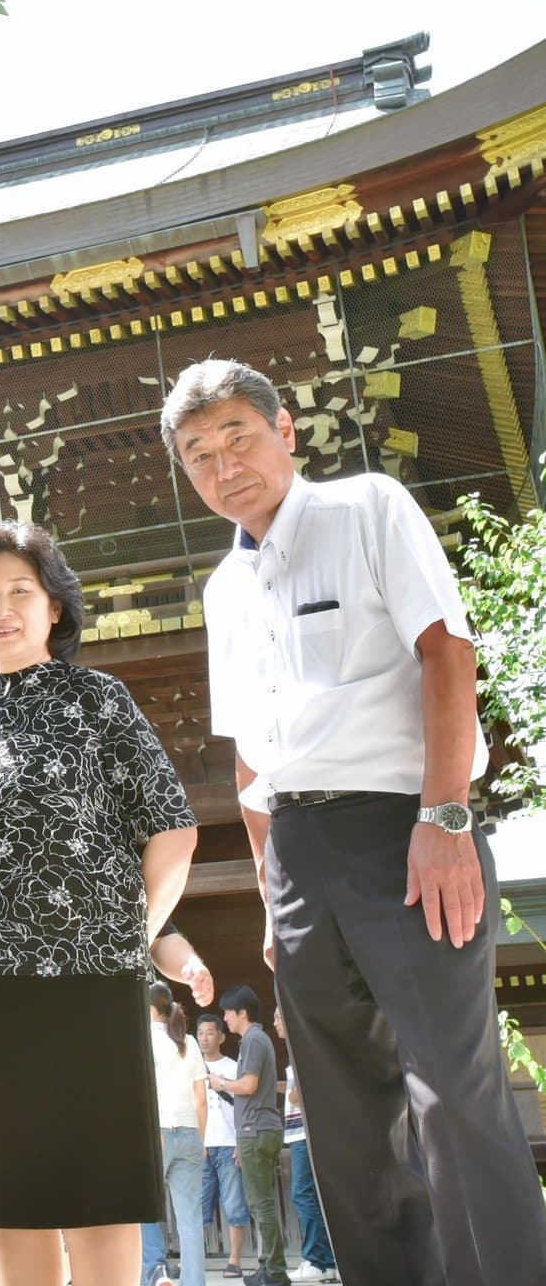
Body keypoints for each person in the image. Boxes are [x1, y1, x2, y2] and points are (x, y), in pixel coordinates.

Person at [161, 358, 546, 1286]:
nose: (223, 466)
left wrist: (445, 817)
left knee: (452, 1087)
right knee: (342, 1113)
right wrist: (269, 891)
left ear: (286, 431)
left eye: (238, 437)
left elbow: (448, 652)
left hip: (403, 827)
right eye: (199, 454)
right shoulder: (222, 590)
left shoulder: (369, 508)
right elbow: (248, 759)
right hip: (296, 855)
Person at [0, 520, 198, 1286]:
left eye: (19, 592)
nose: (0, 609)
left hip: (87, 985)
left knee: (97, 1195)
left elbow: (172, 828)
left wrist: (131, 934)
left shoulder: (99, 700)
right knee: (9, 1202)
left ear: (55, 608)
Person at [210, 986, 284, 1286]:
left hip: (256, 1130)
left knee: (260, 1203)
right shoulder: (256, 1039)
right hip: (258, 1129)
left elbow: (249, 1086)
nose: (225, 1018)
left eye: (228, 1012)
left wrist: (221, 1083)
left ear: (243, 1013)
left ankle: (275, 1272)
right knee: (262, 1202)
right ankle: (269, 1267)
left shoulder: (253, 1039)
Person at [141, 983, 207, 1286]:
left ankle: (156, 1271)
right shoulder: (188, 1041)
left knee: (144, 1210)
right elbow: (201, 1099)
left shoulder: (142, 1038)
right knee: (190, 1218)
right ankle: (194, 1282)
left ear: (148, 1006)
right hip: (190, 1132)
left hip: (156, 1132)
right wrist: (201, 1140)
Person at [272, 1008, 336, 1284]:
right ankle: (328, 1263)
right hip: (307, 1133)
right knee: (314, 1196)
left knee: (302, 1194)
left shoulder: (300, 1047)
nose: (275, 1023)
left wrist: (289, 1092)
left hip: (302, 1134)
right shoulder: (302, 1045)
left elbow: (298, 1093)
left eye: (278, 1017)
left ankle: (315, 1260)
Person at [195, 1012, 250, 1278]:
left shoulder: (233, 1067)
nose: (204, 1038)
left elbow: (244, 1107)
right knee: (196, 1206)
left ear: (221, 1036)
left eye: (209, 1033)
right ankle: (193, 1261)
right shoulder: (192, 1068)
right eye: (200, 1033)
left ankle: (234, 1260)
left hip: (229, 1144)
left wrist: (241, 1141)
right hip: (201, 1147)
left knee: (234, 1204)